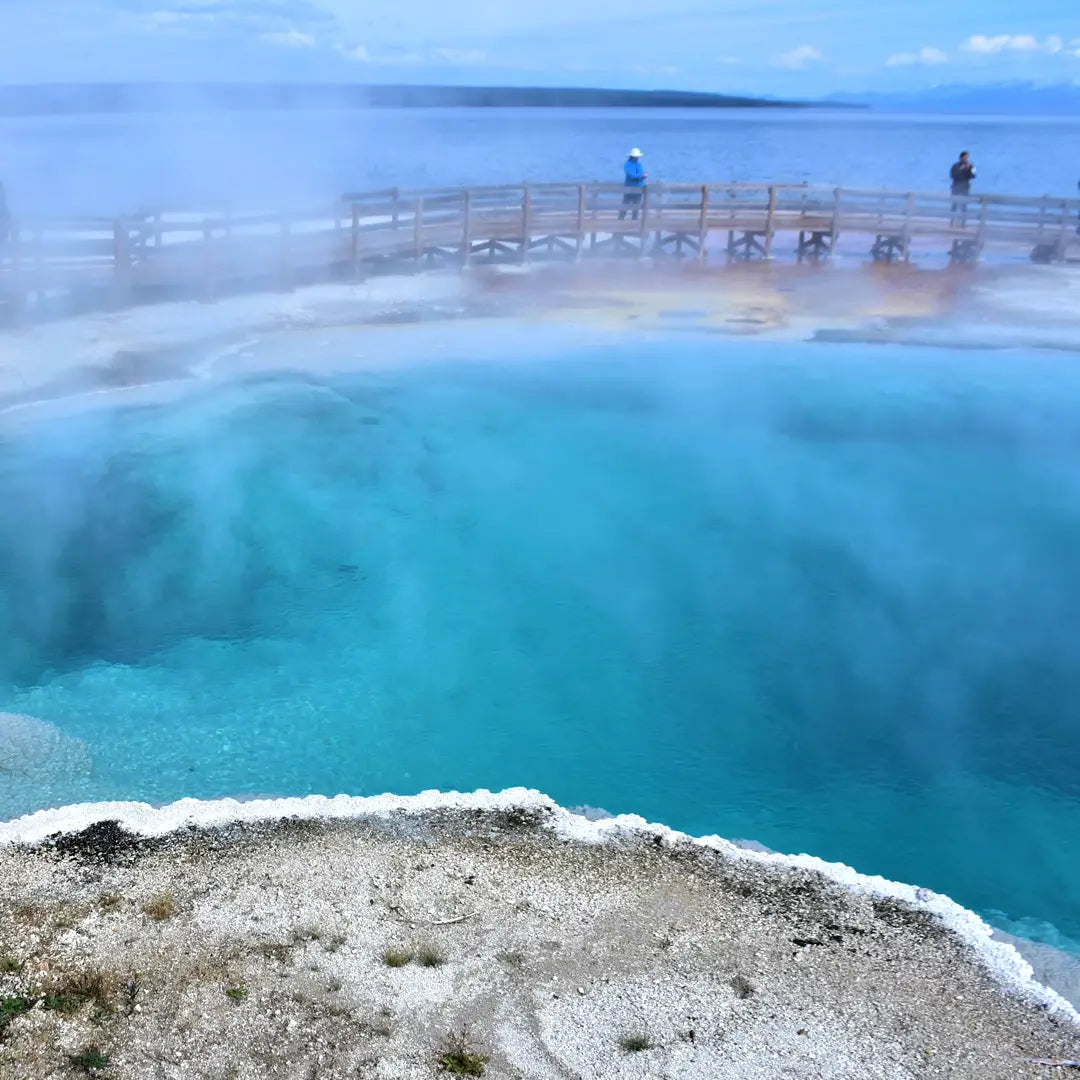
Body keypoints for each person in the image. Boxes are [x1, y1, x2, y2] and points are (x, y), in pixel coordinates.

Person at [618, 148, 647, 221]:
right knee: (625, 205)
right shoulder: (627, 164)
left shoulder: (639, 164)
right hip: (629, 188)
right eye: (636, 156)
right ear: (632, 156)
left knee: (636, 207)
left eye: (637, 156)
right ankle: (620, 219)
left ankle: (634, 220)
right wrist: (641, 176)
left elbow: (641, 172)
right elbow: (631, 175)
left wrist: (642, 176)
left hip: (639, 188)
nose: (637, 157)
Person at [949, 151, 975, 226]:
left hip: (965, 187)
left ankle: (963, 222)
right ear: (960, 158)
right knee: (954, 205)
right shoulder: (955, 166)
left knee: (964, 205)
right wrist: (960, 169)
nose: (965, 159)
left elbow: (973, 175)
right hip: (956, 187)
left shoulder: (971, 166)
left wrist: (968, 170)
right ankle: (952, 221)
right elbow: (952, 175)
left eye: (967, 157)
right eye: (964, 157)